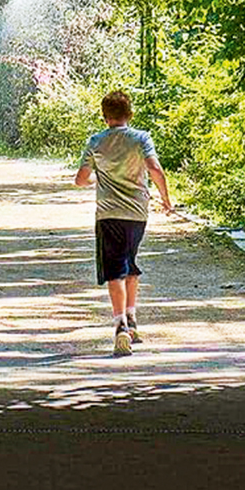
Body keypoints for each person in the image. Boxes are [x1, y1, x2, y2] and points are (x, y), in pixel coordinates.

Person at [74, 88, 173, 356]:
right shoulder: (141, 138)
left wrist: (98, 179)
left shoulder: (96, 142)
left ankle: (120, 327)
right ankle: (133, 319)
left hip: (108, 215)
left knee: (114, 269)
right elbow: (155, 169)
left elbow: (80, 180)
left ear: (105, 116)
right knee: (129, 263)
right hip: (137, 214)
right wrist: (166, 199)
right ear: (129, 114)